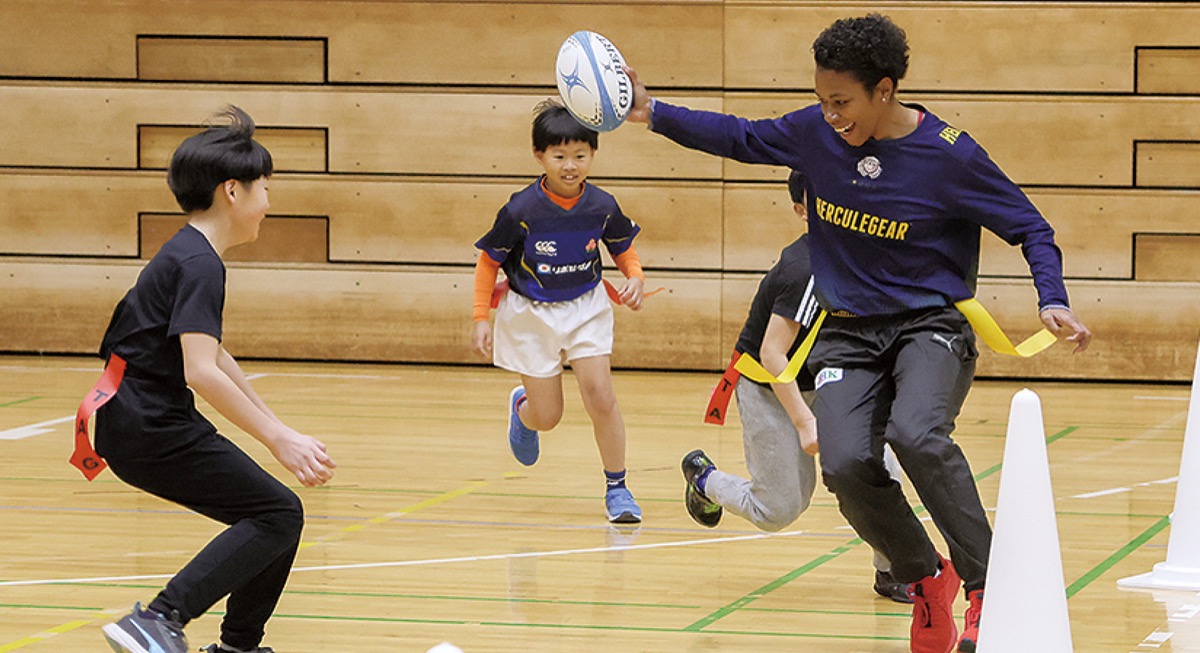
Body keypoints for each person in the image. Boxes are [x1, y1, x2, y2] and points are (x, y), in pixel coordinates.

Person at [625, 14, 1092, 653]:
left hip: (930, 326)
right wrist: (652, 111)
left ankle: (988, 586)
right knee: (845, 462)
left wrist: (1052, 298)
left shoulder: (950, 155)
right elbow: (739, 136)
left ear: (886, 89)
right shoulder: (817, 134)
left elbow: (1031, 227)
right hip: (848, 333)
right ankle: (927, 580)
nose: (831, 115)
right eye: (822, 101)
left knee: (917, 436)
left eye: (842, 102)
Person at [77, 106, 337, 653]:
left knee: (275, 513)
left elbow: (213, 355)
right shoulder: (199, 264)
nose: (269, 202)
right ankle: (158, 618)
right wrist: (277, 439)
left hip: (136, 419)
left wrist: (277, 425)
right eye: (265, 187)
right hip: (148, 425)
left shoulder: (190, 253)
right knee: (276, 513)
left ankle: (237, 646)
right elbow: (200, 372)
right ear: (233, 191)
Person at [682, 170, 910, 603]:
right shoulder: (807, 270)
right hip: (772, 388)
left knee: (879, 470)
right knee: (779, 510)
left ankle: (891, 569)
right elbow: (773, 354)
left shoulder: (870, 256)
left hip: (834, 381)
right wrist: (805, 421)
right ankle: (705, 480)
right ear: (802, 211)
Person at [471, 100, 647, 523]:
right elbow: (488, 262)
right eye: (560, 156)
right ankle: (523, 411)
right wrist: (480, 316)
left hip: (586, 307)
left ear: (593, 154)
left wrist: (636, 276)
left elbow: (623, 249)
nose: (571, 165)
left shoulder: (602, 206)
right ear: (539, 156)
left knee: (601, 396)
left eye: (580, 156)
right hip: (530, 314)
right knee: (548, 417)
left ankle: (617, 488)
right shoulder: (520, 209)